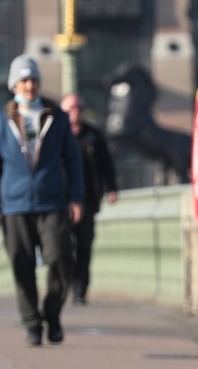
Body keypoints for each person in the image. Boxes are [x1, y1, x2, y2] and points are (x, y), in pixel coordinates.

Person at [0, 55, 83, 346]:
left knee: (61, 258)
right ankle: (31, 324)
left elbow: (73, 161)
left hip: (52, 201)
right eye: (24, 80)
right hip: (14, 204)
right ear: (14, 84)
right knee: (21, 265)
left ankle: (51, 314)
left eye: (34, 80)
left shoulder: (57, 117)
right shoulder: (2, 120)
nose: (29, 85)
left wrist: (75, 198)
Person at [60, 93, 119, 305]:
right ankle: (66, 282)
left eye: (77, 108)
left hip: (87, 201)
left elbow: (106, 164)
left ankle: (79, 290)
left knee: (84, 246)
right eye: (69, 109)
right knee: (62, 247)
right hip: (61, 202)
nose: (74, 113)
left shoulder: (93, 135)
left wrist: (111, 187)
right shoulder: (56, 137)